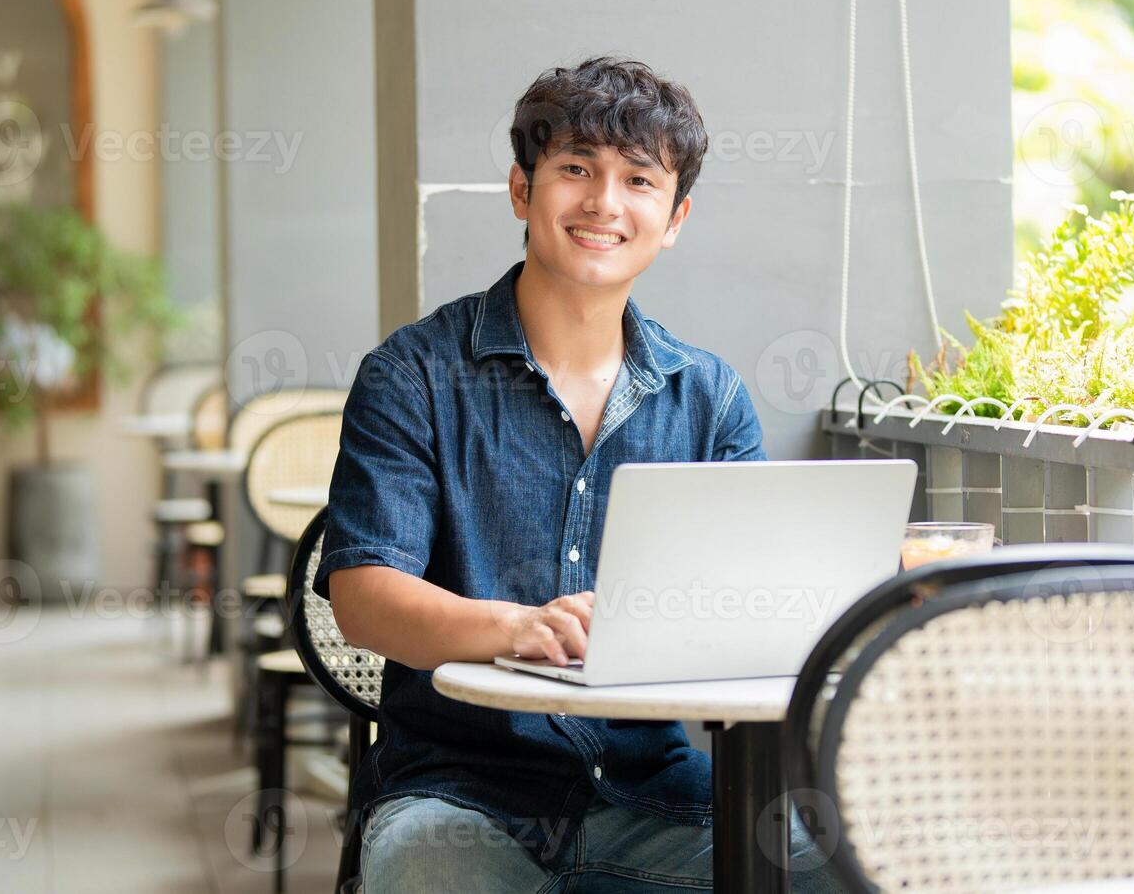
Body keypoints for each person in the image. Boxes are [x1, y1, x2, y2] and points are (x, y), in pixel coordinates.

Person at [317, 57, 841, 892]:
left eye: (639, 180)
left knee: (846, 864)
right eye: (575, 170)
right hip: (459, 794)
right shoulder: (411, 374)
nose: (604, 203)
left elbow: (748, 610)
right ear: (523, 191)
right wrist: (517, 627)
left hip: (655, 794)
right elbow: (364, 597)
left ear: (674, 218)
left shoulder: (707, 398)